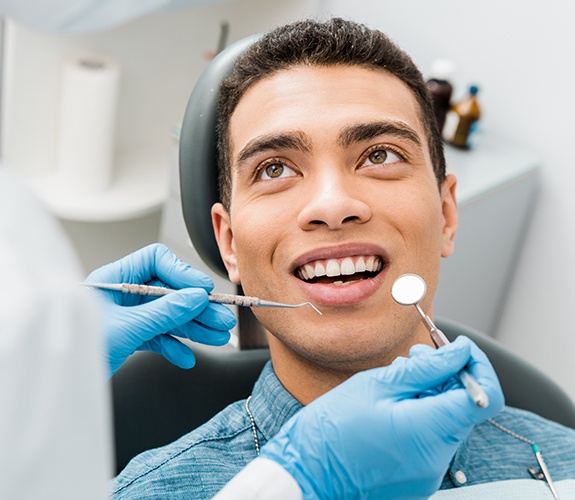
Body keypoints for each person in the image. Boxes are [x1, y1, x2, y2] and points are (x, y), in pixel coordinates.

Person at [112, 17, 575, 498]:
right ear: (230, 245)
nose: (333, 206)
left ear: (446, 213)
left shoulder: (563, 465)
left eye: (379, 156)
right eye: (275, 168)